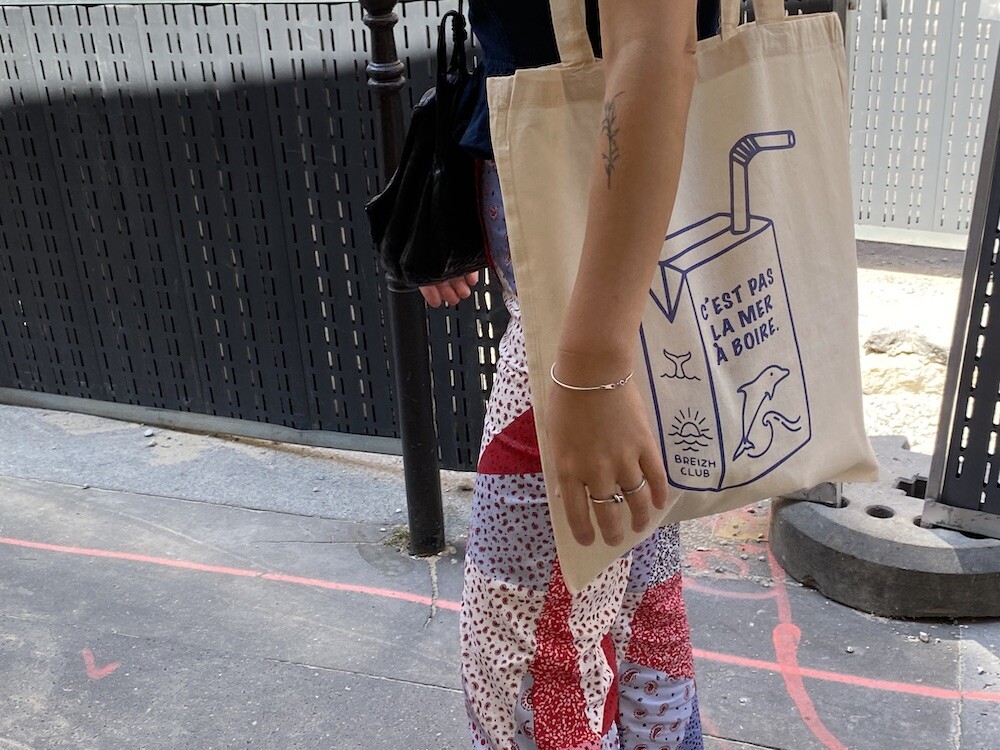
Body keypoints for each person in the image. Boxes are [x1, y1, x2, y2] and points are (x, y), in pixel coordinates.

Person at [421, 1, 718, 747]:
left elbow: (653, 48)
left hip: (581, 319)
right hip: (596, 294)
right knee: (640, 605)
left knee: (524, 662)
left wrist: (593, 369)